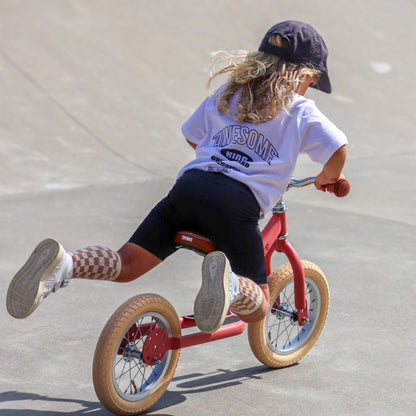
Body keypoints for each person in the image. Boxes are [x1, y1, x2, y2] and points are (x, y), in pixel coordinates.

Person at [6, 20, 347, 333]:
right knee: (257, 305)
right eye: (312, 80)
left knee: (126, 263)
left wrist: (217, 151)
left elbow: (192, 134)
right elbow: (337, 148)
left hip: (189, 188)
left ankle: (65, 264)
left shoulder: (232, 91)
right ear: (304, 74)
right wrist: (327, 177)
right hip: (236, 206)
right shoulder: (300, 109)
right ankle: (230, 285)